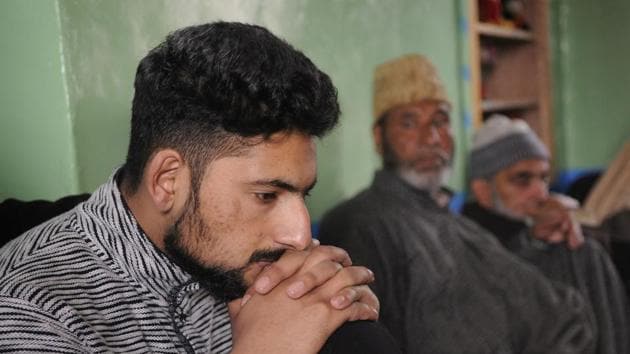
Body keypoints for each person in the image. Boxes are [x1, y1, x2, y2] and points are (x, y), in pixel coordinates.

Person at [0, 22, 391, 353]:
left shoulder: (250, 265)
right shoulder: (29, 310)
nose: (300, 235)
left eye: (302, 194)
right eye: (266, 195)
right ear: (168, 181)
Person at [317, 53, 594, 353]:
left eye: (441, 121)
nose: (432, 137)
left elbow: (490, 279)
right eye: (410, 123)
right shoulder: (362, 222)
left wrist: (533, 242)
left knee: (582, 253)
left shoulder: (447, 215)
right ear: (379, 138)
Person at [462, 115, 629, 354]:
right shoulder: (463, 248)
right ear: (483, 191)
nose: (540, 193)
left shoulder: (569, 242)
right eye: (522, 179)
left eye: (543, 178)